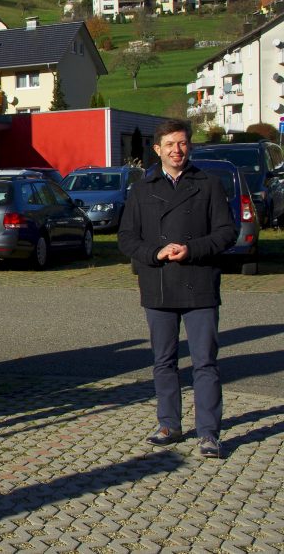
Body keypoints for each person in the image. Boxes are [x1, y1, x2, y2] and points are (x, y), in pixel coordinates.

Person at [118, 119, 235, 459]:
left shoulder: (209, 184)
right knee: (164, 360)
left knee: (205, 363)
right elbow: (126, 238)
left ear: (190, 146)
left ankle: (210, 432)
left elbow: (227, 232)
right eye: (169, 144)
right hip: (158, 284)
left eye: (182, 143)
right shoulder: (141, 189)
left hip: (199, 282)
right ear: (157, 149)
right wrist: (154, 253)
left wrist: (192, 249)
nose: (176, 150)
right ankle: (169, 424)